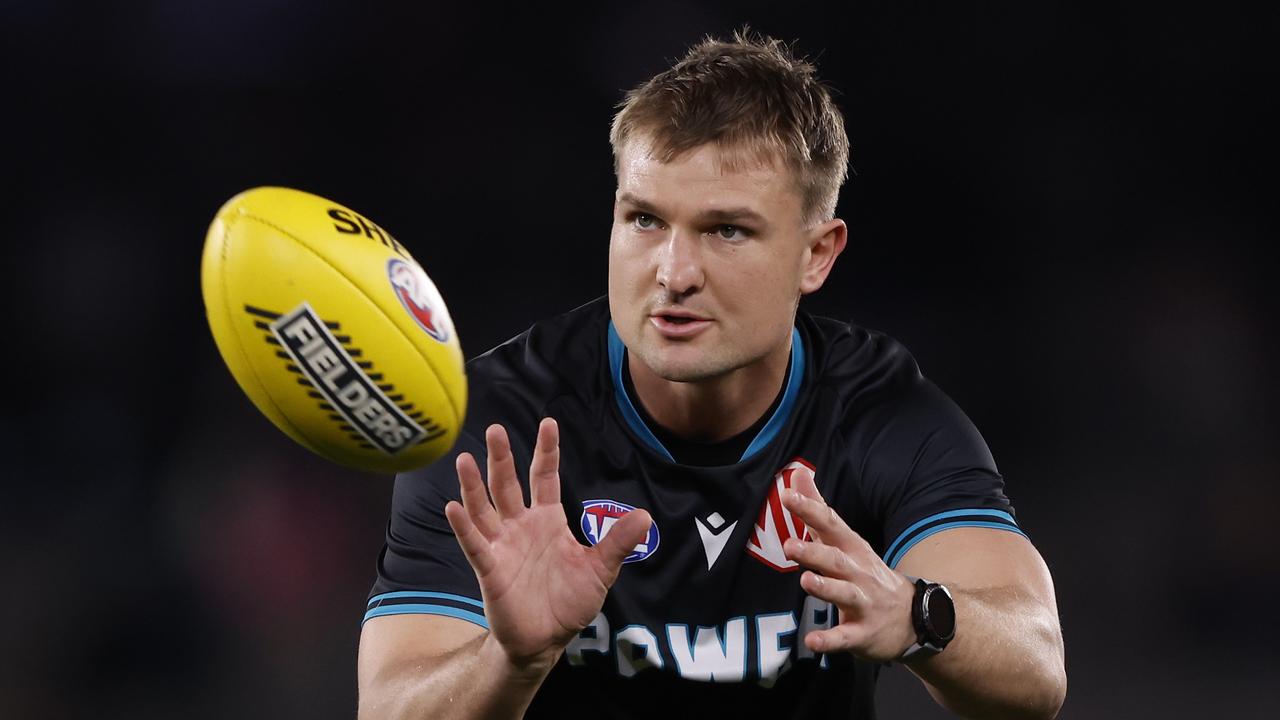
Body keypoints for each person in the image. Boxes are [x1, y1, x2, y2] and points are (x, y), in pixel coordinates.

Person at [356, 29, 1066, 719]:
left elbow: (1037, 671)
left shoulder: (879, 418)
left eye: (727, 230)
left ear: (816, 255)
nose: (674, 273)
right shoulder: (499, 430)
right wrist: (510, 661)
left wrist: (915, 615)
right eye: (645, 221)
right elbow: (387, 709)